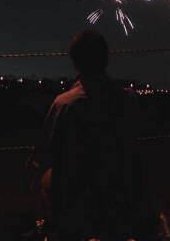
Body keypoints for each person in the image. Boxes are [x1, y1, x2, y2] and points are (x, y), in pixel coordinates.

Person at [28, 30, 152, 241]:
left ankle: (56, 229)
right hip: (120, 200)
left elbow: (45, 152)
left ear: (75, 63)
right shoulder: (126, 100)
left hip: (76, 206)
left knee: (43, 178)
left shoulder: (64, 104)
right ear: (106, 59)